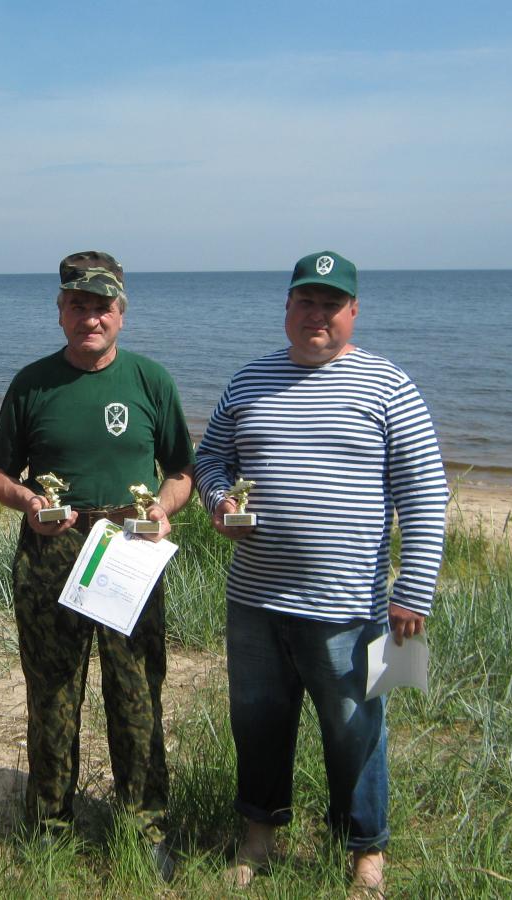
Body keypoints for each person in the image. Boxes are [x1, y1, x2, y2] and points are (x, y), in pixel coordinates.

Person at [193, 250, 448, 896]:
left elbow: (424, 492)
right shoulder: (249, 380)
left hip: (350, 608)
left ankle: (366, 852)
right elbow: (210, 459)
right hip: (254, 601)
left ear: (353, 312)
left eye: (331, 304)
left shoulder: (390, 387)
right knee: (257, 725)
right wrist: (219, 502)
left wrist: (413, 590)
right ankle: (258, 837)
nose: (317, 314)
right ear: (287, 307)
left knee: (356, 730)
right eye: (305, 301)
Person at [0, 251, 195, 881]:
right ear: (60, 312)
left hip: (129, 549)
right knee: (52, 693)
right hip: (53, 549)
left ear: (121, 313)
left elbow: (182, 471)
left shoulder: (151, 381)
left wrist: (162, 508)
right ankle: (50, 826)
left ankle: (145, 827)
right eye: (78, 305)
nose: (90, 318)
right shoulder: (33, 384)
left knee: (135, 691)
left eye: (102, 307)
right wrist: (27, 502)